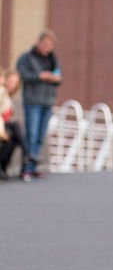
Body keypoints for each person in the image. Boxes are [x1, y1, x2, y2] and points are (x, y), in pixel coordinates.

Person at [16, 30, 62, 180]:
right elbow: (21, 74)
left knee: (40, 136)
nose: (47, 48)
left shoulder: (53, 59)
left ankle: (34, 166)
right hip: (32, 101)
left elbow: (59, 77)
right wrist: (39, 76)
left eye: (50, 45)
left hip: (47, 102)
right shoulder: (27, 57)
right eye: (45, 44)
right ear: (38, 42)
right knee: (32, 135)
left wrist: (55, 78)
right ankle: (26, 168)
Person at [0, 69, 26, 181]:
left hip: (3, 125)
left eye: (15, 82)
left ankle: (3, 167)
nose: (12, 85)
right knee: (14, 130)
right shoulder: (1, 92)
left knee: (13, 136)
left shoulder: (7, 95)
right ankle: (27, 153)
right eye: (10, 81)